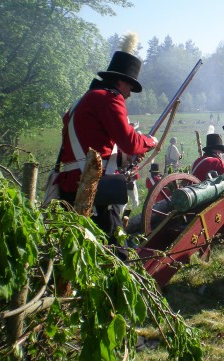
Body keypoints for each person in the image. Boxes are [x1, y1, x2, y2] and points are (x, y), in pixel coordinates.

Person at [54, 50, 157, 246]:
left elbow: (91, 144)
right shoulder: (110, 98)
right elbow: (129, 141)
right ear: (120, 82)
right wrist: (150, 141)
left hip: (69, 184)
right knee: (113, 248)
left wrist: (120, 159)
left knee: (75, 246)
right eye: (129, 87)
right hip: (91, 187)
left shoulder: (86, 99)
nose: (128, 95)